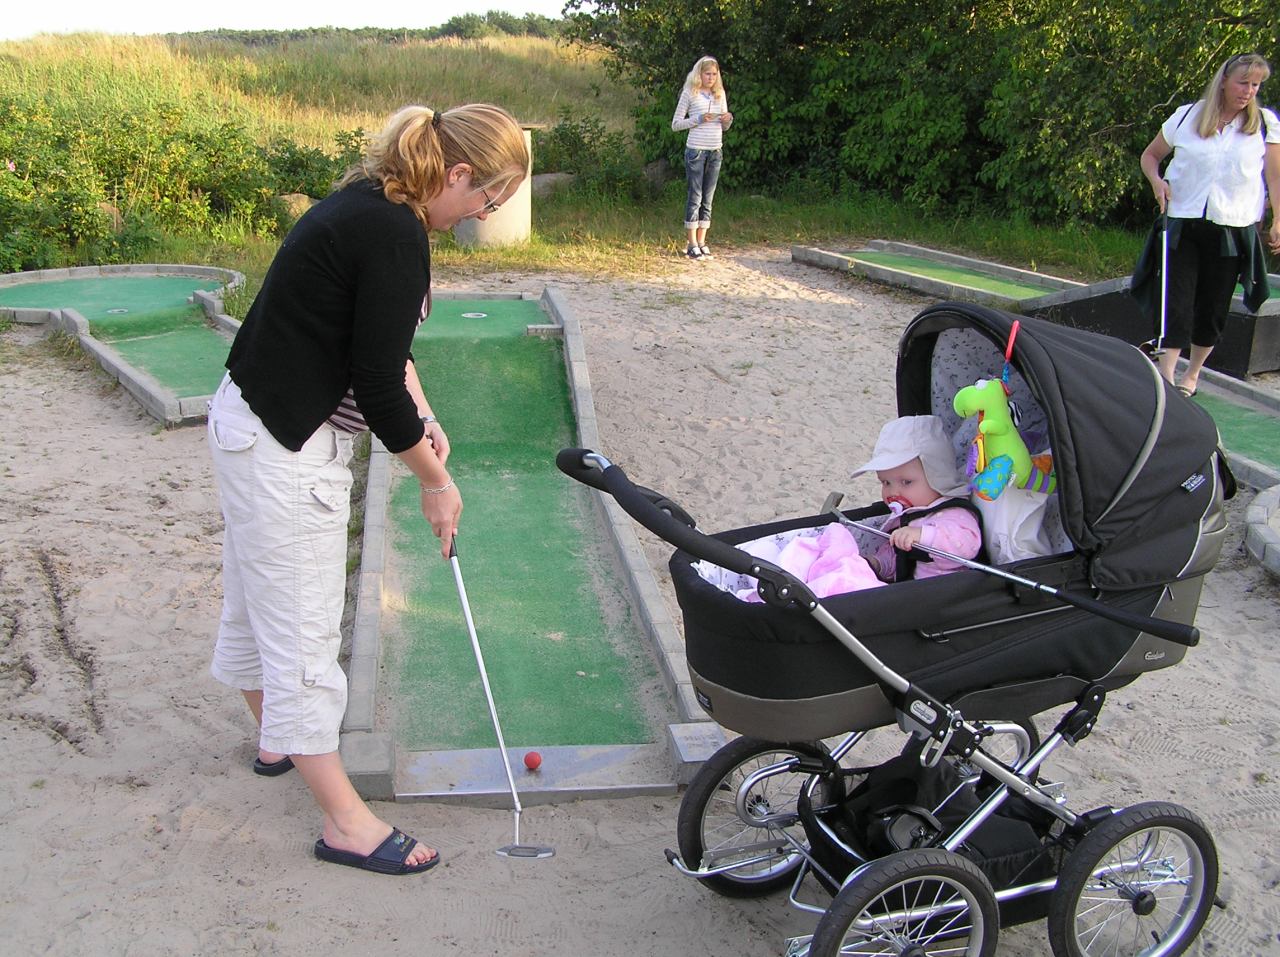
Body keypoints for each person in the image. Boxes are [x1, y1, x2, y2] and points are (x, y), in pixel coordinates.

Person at [206, 104, 529, 876]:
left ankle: (279, 741)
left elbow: (382, 347)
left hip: (248, 419)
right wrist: (435, 482)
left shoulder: (372, 200)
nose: (483, 214)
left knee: (257, 599)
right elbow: (377, 387)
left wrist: (428, 416)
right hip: (285, 444)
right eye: (488, 198)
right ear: (458, 173)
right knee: (305, 633)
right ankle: (345, 823)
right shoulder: (394, 232)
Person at [1138, 52, 1280, 397]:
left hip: (1233, 226)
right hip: (1183, 222)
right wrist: (1157, 182)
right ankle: (1166, 376)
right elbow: (1150, 156)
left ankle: (1192, 375)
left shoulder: (1264, 124)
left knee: (1214, 305)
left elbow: (1274, 177)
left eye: (1256, 85)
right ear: (1224, 81)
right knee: (1175, 300)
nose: (1249, 91)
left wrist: (1279, 218)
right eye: (1243, 83)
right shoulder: (1187, 116)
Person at [852, 416, 985, 583]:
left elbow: (966, 547)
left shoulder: (954, 513)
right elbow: (898, 558)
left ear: (938, 477)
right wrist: (878, 564)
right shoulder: (909, 515)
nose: (893, 492)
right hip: (912, 590)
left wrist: (923, 535)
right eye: (886, 483)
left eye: (906, 482)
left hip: (948, 592)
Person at [671, 55, 733, 260]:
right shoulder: (690, 93)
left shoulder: (719, 94)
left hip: (715, 149)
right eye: (707, 74)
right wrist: (698, 119)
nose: (711, 78)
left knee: (708, 197)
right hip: (696, 150)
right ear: (699, 74)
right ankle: (691, 243)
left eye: (714, 74)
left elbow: (724, 126)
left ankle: (702, 241)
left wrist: (727, 119)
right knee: (695, 196)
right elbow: (676, 124)